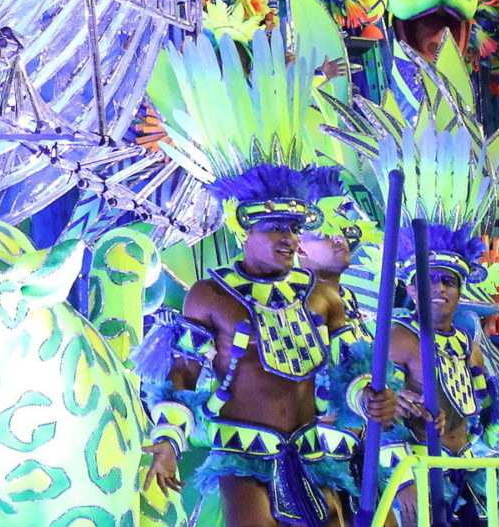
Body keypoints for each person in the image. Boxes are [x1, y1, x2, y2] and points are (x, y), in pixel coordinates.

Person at [141, 26, 386, 526]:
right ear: (243, 230)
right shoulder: (210, 296)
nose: (289, 239)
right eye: (275, 227)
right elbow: (184, 374)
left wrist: (370, 398)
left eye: (294, 228)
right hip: (244, 455)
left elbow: (351, 368)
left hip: (316, 456)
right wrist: (168, 440)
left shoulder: (321, 295)